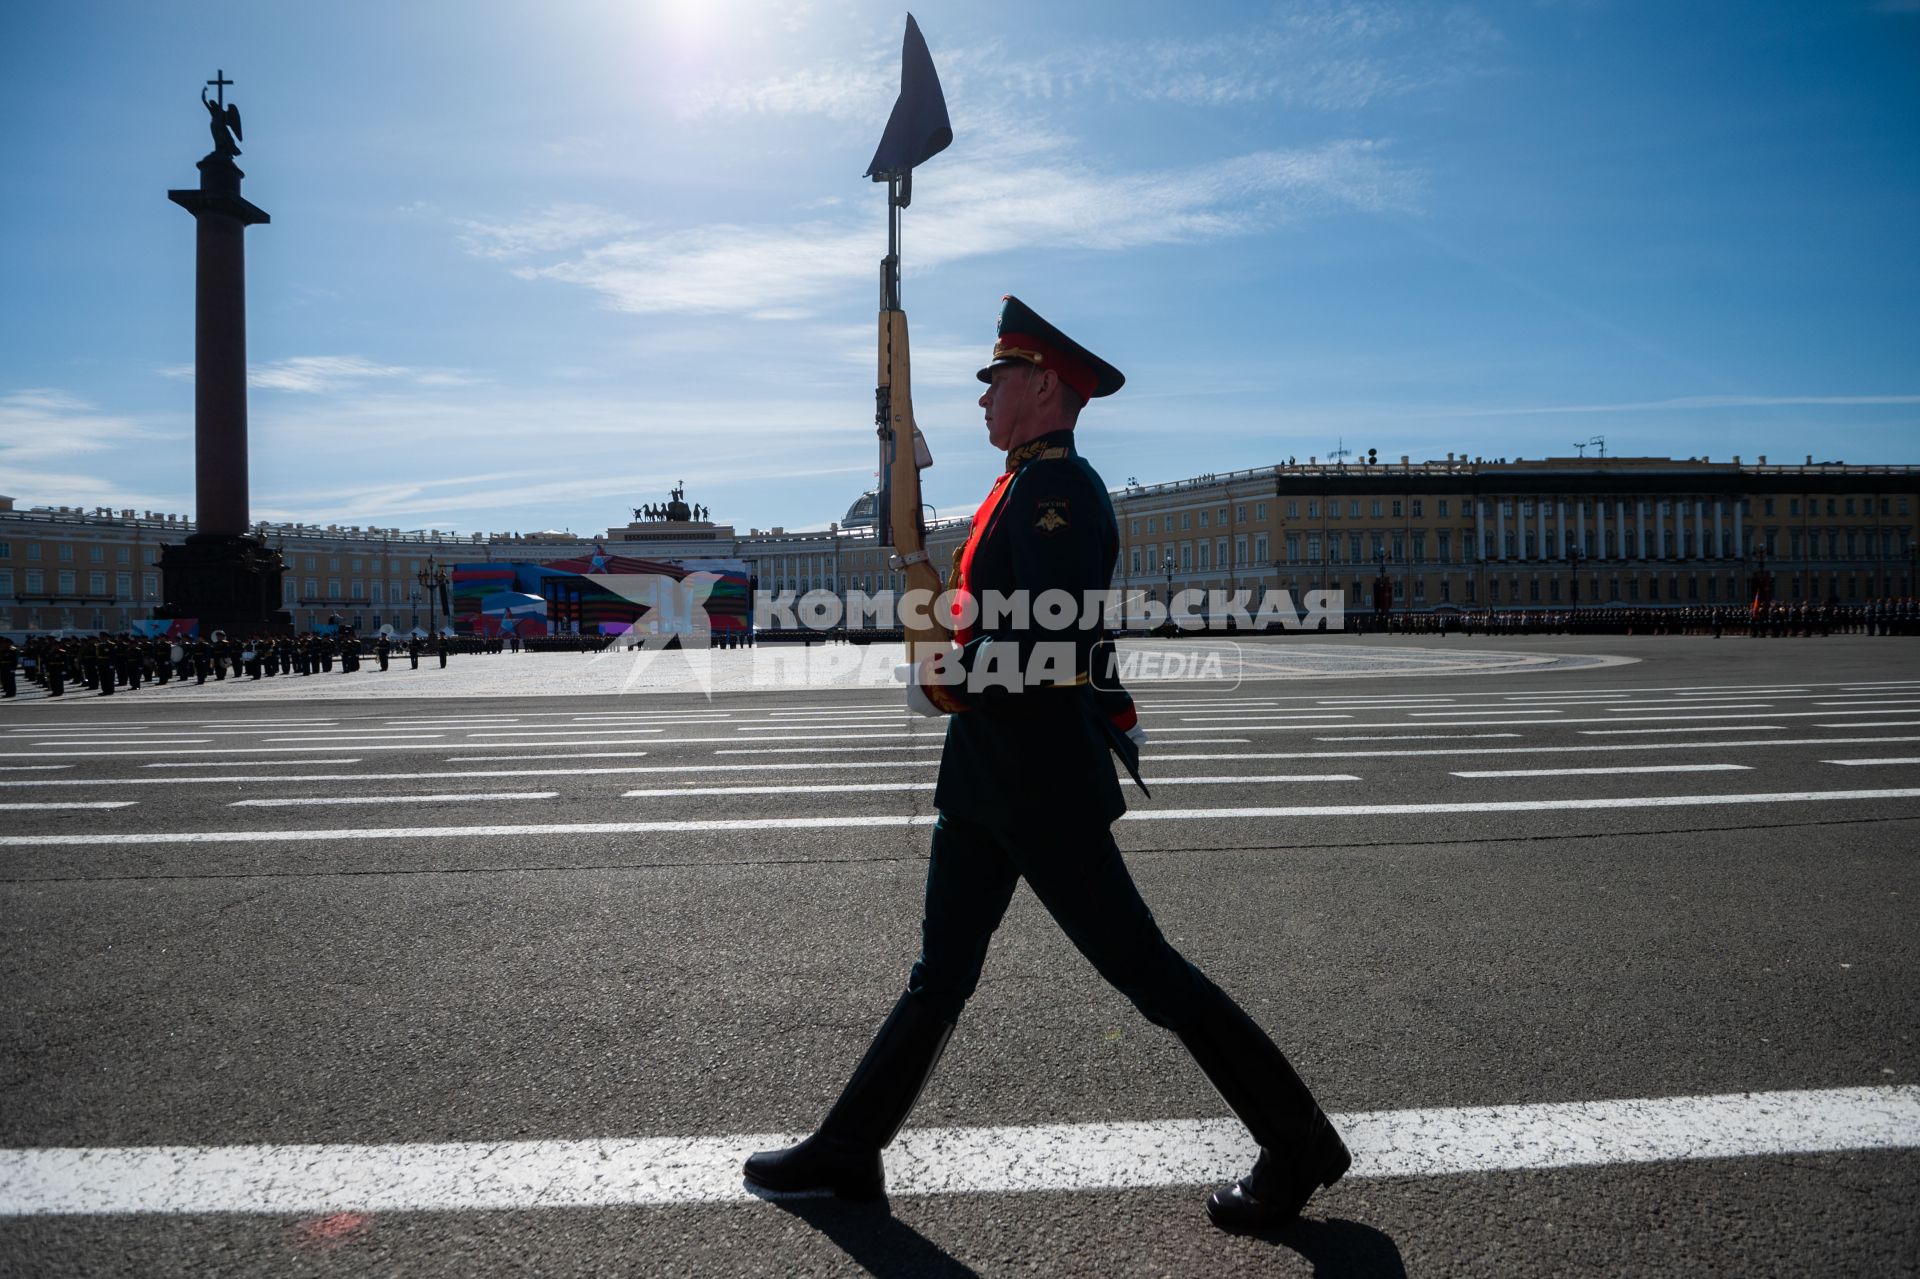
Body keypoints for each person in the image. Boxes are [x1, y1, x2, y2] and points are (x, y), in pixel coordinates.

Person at [744, 296, 1348, 1230]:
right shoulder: (1018, 488)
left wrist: (951, 677)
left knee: (1147, 972)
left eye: (999, 381)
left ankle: (1297, 1135)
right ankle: (848, 1150)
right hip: (993, 777)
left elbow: (1055, 642)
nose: (984, 398)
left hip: (1037, 781)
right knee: (939, 973)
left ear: (1045, 388)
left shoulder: (1059, 492)